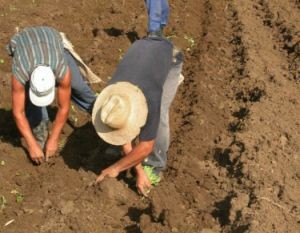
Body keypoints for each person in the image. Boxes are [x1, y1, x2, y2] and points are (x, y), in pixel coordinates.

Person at [92, 36, 183, 196]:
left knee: (160, 115)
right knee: (122, 123)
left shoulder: (150, 97)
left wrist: (116, 168)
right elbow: (122, 124)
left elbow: (146, 146)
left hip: (170, 56)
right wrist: (137, 170)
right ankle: (133, 160)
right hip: (142, 49)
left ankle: (156, 164)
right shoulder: (113, 94)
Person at [8, 26, 98, 164]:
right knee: (34, 110)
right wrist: (31, 145)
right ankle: (39, 138)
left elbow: (63, 107)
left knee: (79, 88)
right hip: (24, 44)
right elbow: (18, 112)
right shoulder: (20, 73)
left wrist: (54, 138)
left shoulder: (62, 70)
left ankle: (101, 114)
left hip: (51, 40)